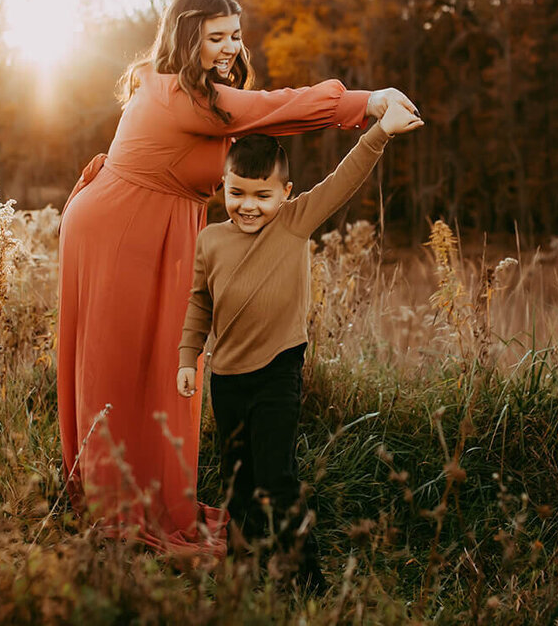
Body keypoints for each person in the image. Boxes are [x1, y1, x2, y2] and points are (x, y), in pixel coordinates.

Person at [57, 0, 416, 554]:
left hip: (150, 224)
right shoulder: (182, 95)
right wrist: (365, 103)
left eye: (235, 34)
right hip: (121, 229)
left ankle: (145, 492)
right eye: (216, 35)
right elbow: (273, 108)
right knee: (126, 367)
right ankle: (120, 505)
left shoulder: (190, 87)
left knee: (156, 364)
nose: (229, 47)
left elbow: (255, 117)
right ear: (186, 34)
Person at [176, 101, 423, 587]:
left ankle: (306, 580)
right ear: (223, 187)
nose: (248, 205)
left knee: (277, 478)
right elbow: (199, 303)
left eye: (262, 195)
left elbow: (342, 179)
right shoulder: (210, 240)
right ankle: (243, 575)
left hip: (277, 371)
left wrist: (380, 132)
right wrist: (189, 357)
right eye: (237, 193)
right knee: (238, 484)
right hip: (225, 379)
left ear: (285, 194)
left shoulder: (293, 221)